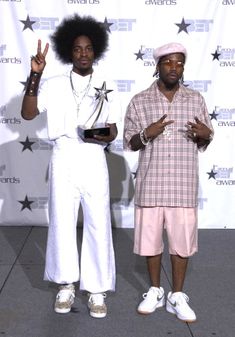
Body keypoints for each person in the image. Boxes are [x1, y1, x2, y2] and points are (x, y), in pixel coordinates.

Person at [21, 14, 120, 318]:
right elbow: (27, 114)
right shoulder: (52, 83)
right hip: (63, 156)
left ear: (96, 50)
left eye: (88, 48)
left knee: (97, 223)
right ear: (69, 51)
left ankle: (97, 290)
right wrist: (35, 74)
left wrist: (90, 134)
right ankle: (66, 285)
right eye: (77, 48)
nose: (83, 53)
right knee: (63, 221)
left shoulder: (107, 83)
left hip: (93, 157)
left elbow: (113, 131)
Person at [123, 42, 213, 323]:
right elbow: (129, 142)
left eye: (179, 63)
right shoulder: (140, 100)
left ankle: (177, 295)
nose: (174, 68)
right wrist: (147, 134)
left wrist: (205, 134)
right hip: (151, 185)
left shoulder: (195, 99)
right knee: (150, 244)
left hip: (183, 185)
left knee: (182, 245)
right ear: (157, 66)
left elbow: (205, 137)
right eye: (168, 63)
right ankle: (154, 290)